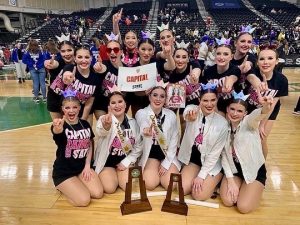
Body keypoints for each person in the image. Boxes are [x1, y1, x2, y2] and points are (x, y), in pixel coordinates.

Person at [220, 91, 273, 213]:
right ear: (227, 109)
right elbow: (223, 155)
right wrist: (231, 181)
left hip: (253, 171)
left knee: (243, 207)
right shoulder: (223, 126)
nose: (234, 113)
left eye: (239, 111)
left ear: (245, 113)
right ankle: (242, 186)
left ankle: (255, 188)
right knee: (228, 201)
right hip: (235, 170)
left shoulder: (249, 123)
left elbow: (258, 115)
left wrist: (265, 107)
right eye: (232, 109)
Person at [51, 90, 103, 206]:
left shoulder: (85, 124)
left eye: (75, 107)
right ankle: (64, 188)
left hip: (81, 169)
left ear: (79, 108)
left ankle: (76, 183)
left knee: (98, 193)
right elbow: (56, 132)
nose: (71, 110)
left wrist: (87, 166)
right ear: (62, 109)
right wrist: (57, 129)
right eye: (67, 108)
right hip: (64, 172)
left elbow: (89, 144)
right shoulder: (61, 125)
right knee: (84, 200)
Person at [177, 83, 227, 200]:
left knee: (198, 195)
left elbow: (214, 155)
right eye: (205, 100)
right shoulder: (193, 111)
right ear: (199, 100)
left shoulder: (222, 123)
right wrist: (189, 117)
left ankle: (216, 181)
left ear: (217, 100)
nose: (209, 104)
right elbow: (187, 113)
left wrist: (201, 176)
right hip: (194, 160)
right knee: (181, 189)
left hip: (211, 163)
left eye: (213, 100)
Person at [94, 91, 142, 193]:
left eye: (120, 102)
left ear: (125, 104)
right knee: (110, 188)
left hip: (124, 161)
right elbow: (100, 131)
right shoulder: (104, 119)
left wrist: (126, 162)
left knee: (129, 187)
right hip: (107, 163)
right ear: (109, 106)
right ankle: (110, 174)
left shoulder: (133, 123)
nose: (117, 105)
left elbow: (139, 146)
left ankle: (120, 174)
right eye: (113, 103)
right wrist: (106, 126)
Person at [246, 44, 288, 158]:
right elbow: (250, 77)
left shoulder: (281, 80)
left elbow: (272, 106)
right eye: (262, 59)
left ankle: (261, 168)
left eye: (270, 58)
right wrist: (258, 84)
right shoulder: (253, 72)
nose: (266, 62)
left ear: (277, 61)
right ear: (257, 62)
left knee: (261, 138)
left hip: (269, 112)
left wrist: (262, 125)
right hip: (251, 108)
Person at [135, 86, 181, 190]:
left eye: (162, 96)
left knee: (171, 185)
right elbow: (142, 122)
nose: (158, 99)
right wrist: (145, 130)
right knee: (149, 184)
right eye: (155, 95)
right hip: (151, 154)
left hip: (167, 154)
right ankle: (155, 170)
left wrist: (167, 162)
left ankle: (163, 171)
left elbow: (174, 139)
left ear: (165, 99)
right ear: (149, 97)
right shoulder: (141, 112)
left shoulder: (171, 115)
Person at [45, 41, 75, 120]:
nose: (66, 54)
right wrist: (48, 63)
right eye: (63, 51)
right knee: (59, 128)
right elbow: (53, 63)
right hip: (55, 99)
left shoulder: (78, 63)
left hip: (71, 102)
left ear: (74, 50)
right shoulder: (58, 61)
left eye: (69, 50)